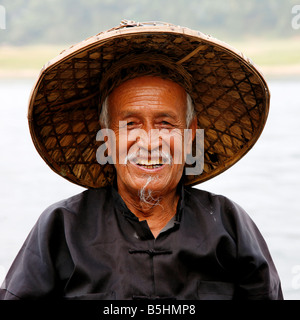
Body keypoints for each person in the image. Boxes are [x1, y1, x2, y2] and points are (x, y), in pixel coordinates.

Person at [0, 21, 283, 300]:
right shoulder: (62, 228)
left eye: (165, 124)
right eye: (131, 124)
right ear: (107, 140)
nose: (149, 142)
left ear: (190, 135)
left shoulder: (228, 225)